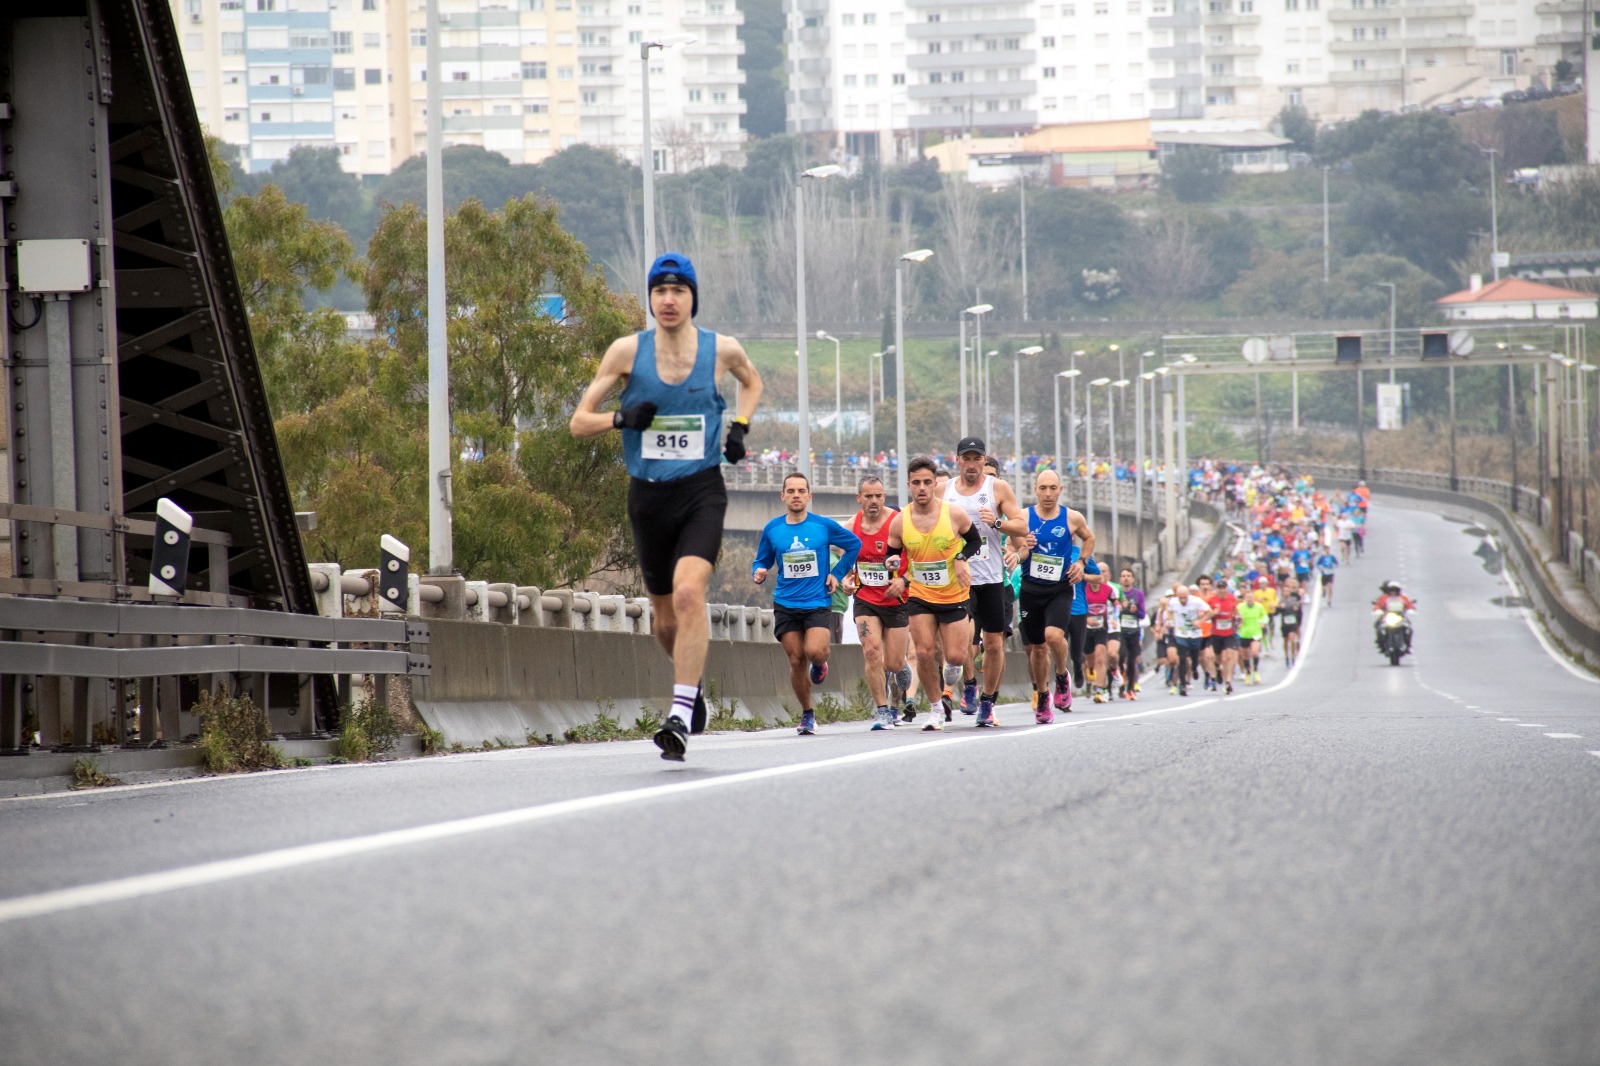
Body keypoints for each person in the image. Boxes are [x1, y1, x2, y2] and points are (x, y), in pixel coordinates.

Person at [570, 252, 762, 762]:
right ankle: (690, 688)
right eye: (660, 291)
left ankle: (677, 713)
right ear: (651, 298)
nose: (669, 300)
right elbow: (578, 422)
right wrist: (620, 418)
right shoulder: (626, 351)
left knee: (689, 593)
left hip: (701, 492)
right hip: (648, 498)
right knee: (664, 620)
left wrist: (740, 427)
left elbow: (752, 381)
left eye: (678, 291)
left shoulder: (721, 349)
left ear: (693, 298)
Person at [752, 473, 861, 736]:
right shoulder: (773, 529)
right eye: (791, 491)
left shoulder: (822, 525)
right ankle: (807, 713)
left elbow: (854, 545)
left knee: (815, 652)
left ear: (809, 496)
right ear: (783, 496)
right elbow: (762, 559)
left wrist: (837, 574)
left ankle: (821, 664)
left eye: (801, 490)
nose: (796, 495)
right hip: (786, 602)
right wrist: (760, 571)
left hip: (817, 601)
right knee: (796, 660)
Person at [886, 456, 982, 731]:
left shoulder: (953, 514)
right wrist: (892, 569)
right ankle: (936, 708)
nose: (922, 488)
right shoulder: (900, 521)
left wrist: (961, 558)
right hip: (920, 594)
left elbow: (974, 541)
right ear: (909, 484)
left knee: (955, 657)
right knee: (924, 652)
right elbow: (891, 555)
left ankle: (953, 675)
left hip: (954, 595)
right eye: (916, 483)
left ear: (933, 485)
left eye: (927, 482)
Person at [945, 438, 1030, 727]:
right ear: (957, 460)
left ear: (984, 460)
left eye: (976, 459)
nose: (971, 464)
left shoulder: (998, 489)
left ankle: (987, 700)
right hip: (960, 580)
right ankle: (969, 682)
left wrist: (997, 522)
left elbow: (1022, 526)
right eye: (966, 458)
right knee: (962, 643)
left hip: (992, 579)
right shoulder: (945, 491)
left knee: (993, 645)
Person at [1016, 470, 1093, 723]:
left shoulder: (1072, 517)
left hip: (1059, 589)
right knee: (1038, 648)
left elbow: (1089, 538)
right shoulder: (1023, 517)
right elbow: (1012, 545)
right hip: (1030, 590)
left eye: (1052, 488)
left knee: (1053, 636)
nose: (1048, 494)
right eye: (1043, 488)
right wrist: (1019, 549)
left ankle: (1061, 676)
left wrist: (1081, 562)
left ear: (1060, 490)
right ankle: (1042, 696)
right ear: (1035, 490)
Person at [844, 475, 914, 730]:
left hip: (897, 600)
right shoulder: (851, 527)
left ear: (884, 497)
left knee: (892, 663)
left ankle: (902, 665)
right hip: (866, 599)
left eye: (878, 496)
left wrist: (904, 581)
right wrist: (846, 579)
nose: (873, 501)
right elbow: (845, 560)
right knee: (872, 651)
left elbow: (919, 557)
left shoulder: (899, 522)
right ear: (859, 498)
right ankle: (882, 711)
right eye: (868, 496)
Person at [1164, 583, 1210, 697]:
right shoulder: (1173, 602)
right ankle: (1183, 685)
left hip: (1195, 634)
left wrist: (1199, 621)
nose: (1183, 600)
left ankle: (1194, 668)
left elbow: (1209, 611)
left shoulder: (1196, 601)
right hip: (1181, 634)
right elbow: (1169, 611)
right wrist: (1168, 620)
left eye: (1185, 598)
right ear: (1177, 596)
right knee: (1182, 659)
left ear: (1188, 595)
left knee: (1195, 657)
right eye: (1181, 598)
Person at [1206, 578, 1240, 696]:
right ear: (1216, 589)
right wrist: (1213, 613)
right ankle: (1217, 668)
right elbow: (1205, 615)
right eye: (1219, 588)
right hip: (1216, 634)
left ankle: (1228, 682)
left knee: (1228, 657)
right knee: (1216, 658)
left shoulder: (1231, 598)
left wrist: (1238, 617)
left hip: (1229, 633)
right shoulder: (1212, 600)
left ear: (1227, 588)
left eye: (1223, 588)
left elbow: (1235, 611)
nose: (1221, 590)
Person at [1117, 566, 1146, 700]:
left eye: (1128, 576)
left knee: (1132, 661)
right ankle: (1121, 683)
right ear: (1120, 579)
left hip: (1134, 632)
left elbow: (1143, 614)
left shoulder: (1138, 594)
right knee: (1121, 657)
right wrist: (1120, 610)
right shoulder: (1116, 593)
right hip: (1120, 632)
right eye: (1123, 576)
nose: (1126, 578)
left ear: (1133, 579)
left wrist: (1136, 611)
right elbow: (1112, 612)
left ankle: (1130, 688)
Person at [1371, 580, 1417, 653]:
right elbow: (1378, 605)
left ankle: (1408, 645)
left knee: (1409, 629)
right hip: (1387, 616)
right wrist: (1377, 610)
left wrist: (1411, 609)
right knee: (1379, 627)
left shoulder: (1403, 598)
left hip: (1401, 617)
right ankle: (1381, 644)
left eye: (1395, 590)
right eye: (1391, 590)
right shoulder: (1384, 598)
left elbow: (1409, 605)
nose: (1393, 592)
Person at [1236, 588, 1268, 684]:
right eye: (1247, 597)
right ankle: (1248, 672)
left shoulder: (1259, 606)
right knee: (1245, 655)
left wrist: (1263, 622)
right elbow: (1236, 617)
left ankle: (1255, 671)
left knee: (1255, 652)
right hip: (1244, 633)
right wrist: (1238, 623)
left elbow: (1264, 616)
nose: (1249, 599)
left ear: (1253, 598)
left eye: (1251, 597)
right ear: (1245, 598)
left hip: (1256, 632)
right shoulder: (1240, 607)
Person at [1278, 579, 1304, 668]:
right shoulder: (1281, 601)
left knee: (1292, 639)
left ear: (1290, 592)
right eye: (1284, 591)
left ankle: (1293, 656)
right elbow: (1277, 612)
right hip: (1285, 624)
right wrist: (1278, 607)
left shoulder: (1294, 599)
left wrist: (1297, 608)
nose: (1286, 593)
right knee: (1285, 640)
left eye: (1287, 591)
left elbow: (1298, 609)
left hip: (1293, 623)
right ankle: (1287, 656)